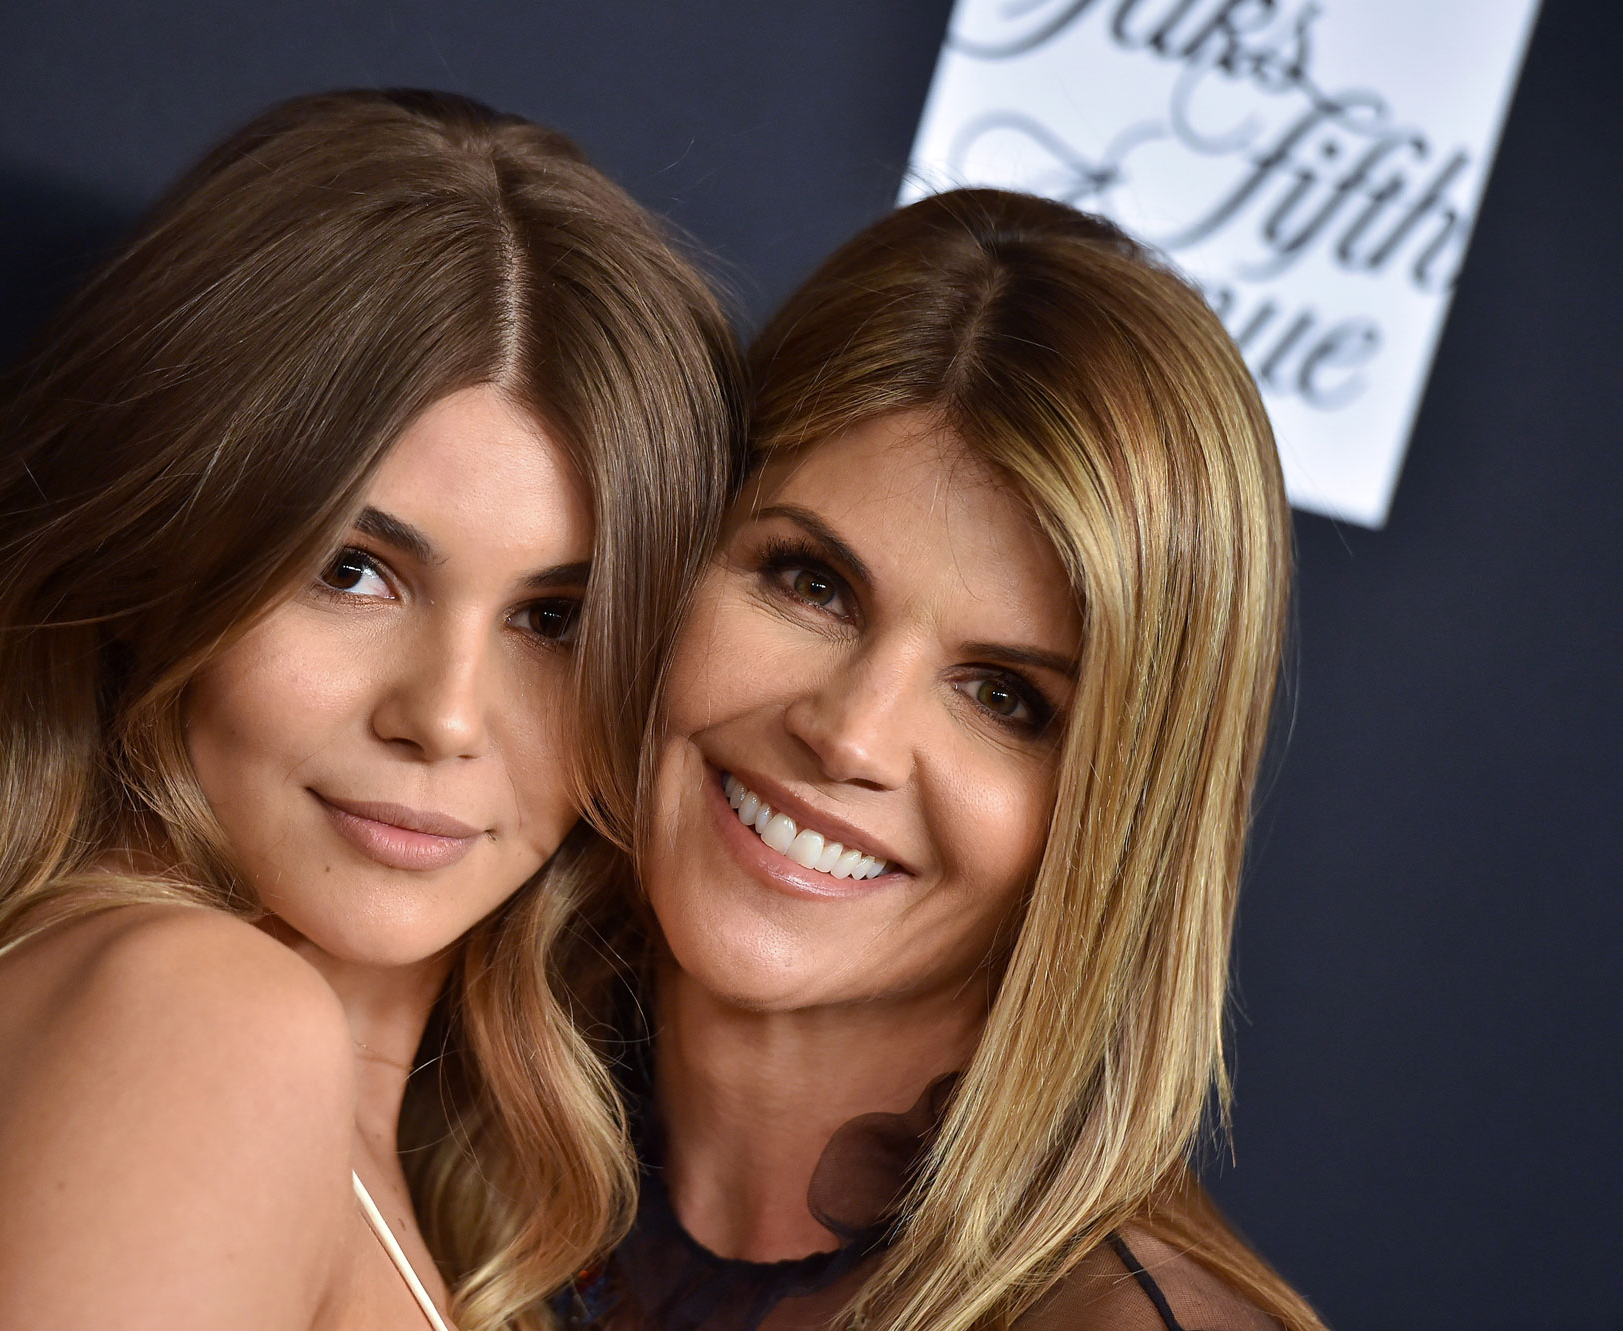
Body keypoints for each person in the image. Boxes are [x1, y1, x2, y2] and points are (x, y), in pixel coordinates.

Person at [0, 89, 740, 1331]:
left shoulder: (225, 1055)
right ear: (155, 557)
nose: (444, 717)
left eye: (554, 619)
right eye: (352, 570)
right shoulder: (205, 1024)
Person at [561, 189, 1327, 1330]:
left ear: (1121, 819)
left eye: (1004, 698)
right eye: (809, 582)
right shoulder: (415, 1120)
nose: (851, 732)